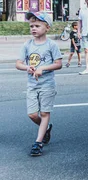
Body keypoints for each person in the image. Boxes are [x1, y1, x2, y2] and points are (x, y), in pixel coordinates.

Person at [16, 11, 63, 156]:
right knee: (32, 114)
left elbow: (58, 64)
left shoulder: (51, 45)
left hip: (47, 84)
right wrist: (27, 67)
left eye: (37, 25)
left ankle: (38, 143)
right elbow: (18, 64)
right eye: (31, 26)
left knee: (44, 113)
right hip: (32, 85)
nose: (33, 29)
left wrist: (43, 68)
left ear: (47, 27)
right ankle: (47, 128)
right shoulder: (27, 45)